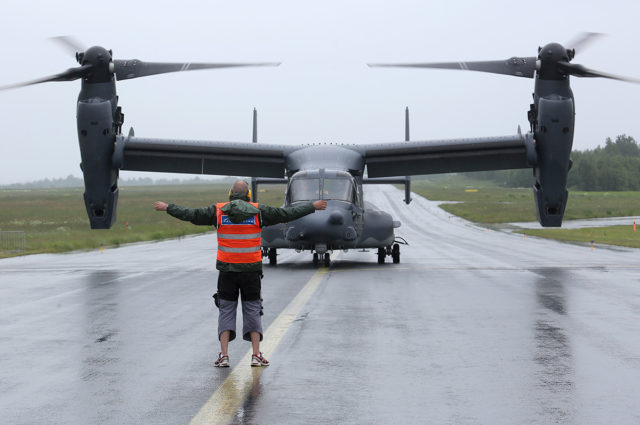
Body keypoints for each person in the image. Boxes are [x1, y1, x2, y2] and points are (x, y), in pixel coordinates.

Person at [154, 180, 327, 367]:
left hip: (227, 271)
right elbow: (286, 214)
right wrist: (312, 206)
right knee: (252, 310)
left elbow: (191, 214)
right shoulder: (259, 211)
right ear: (248, 195)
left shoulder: (218, 211)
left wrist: (168, 207)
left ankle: (224, 355)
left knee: (226, 310)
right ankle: (256, 355)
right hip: (251, 271)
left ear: (230, 194)